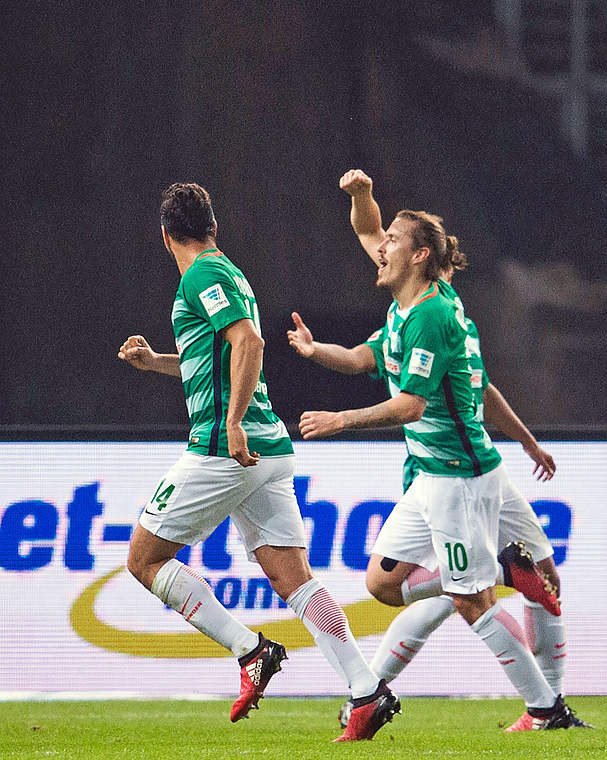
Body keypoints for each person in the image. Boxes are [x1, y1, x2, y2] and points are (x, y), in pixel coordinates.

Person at [285, 168, 587, 731]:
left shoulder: (431, 317)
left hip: (458, 480)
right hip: (441, 473)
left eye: (394, 244)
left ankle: (547, 708)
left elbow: (411, 406)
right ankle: (501, 583)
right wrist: (363, 198)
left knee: (472, 599)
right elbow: (362, 352)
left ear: (420, 256)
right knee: (381, 583)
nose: (380, 250)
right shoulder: (412, 305)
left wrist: (340, 418)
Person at [117, 183, 398, 742]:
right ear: (213, 226)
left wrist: (232, 421)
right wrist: (156, 364)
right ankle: (367, 691)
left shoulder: (200, 275)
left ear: (166, 234)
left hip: (227, 449)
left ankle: (251, 649)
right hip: (267, 448)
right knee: (296, 582)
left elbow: (249, 344)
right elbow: (217, 361)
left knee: (144, 560)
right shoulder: (228, 272)